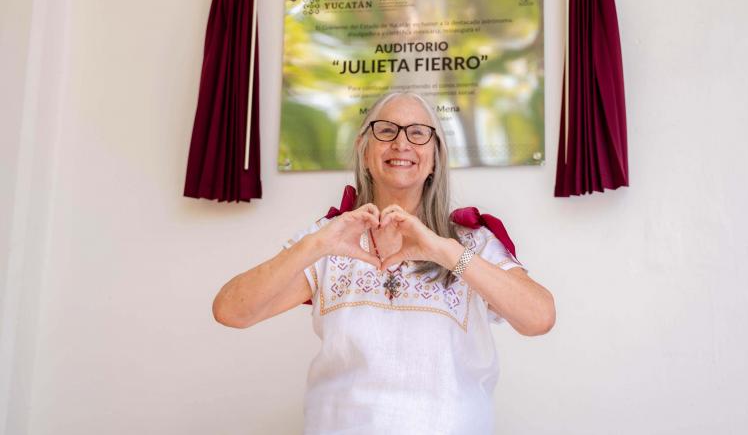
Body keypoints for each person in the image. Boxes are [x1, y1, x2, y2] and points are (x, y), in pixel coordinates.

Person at [212, 92, 556, 435]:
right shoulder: (332, 237)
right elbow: (231, 311)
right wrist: (316, 244)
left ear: (435, 158)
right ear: (364, 151)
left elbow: (539, 317)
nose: (401, 143)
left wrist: (447, 253)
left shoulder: (470, 242)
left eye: (418, 132)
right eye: (387, 130)